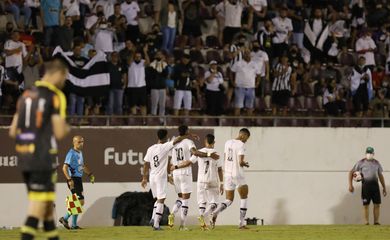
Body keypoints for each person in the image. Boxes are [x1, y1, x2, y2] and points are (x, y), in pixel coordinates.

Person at [8, 58, 70, 240]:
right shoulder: (55, 96)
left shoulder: (26, 95)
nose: (64, 81)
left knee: (47, 208)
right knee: (36, 209)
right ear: (57, 74)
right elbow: (59, 132)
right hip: (42, 157)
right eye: (64, 76)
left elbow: (12, 131)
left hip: (25, 156)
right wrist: (65, 126)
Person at [141, 129, 197, 230]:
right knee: (161, 200)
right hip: (161, 177)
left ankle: (153, 219)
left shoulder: (151, 148)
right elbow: (178, 139)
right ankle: (156, 225)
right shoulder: (165, 146)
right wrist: (189, 135)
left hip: (152, 176)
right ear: (166, 137)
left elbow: (145, 164)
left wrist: (144, 178)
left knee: (158, 199)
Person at [168, 125, 219, 230]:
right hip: (185, 173)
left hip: (175, 172)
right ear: (187, 131)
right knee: (185, 200)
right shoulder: (189, 142)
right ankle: (182, 225)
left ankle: (172, 213)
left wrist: (170, 174)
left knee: (180, 198)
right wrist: (209, 154)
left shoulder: (174, 143)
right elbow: (195, 153)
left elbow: (170, 160)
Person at [211, 128, 251, 229]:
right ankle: (241, 223)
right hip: (237, 174)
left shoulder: (227, 142)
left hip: (227, 174)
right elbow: (240, 161)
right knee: (244, 197)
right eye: (246, 137)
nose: (246, 140)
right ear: (243, 135)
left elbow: (225, 157)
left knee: (228, 199)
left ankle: (215, 212)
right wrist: (245, 164)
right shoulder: (241, 145)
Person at [59, 136, 96, 230]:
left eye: (82, 142)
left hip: (78, 180)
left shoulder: (80, 153)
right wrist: (69, 179)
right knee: (79, 201)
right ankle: (64, 218)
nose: (81, 144)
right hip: (73, 180)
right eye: (79, 142)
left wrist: (90, 174)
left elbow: (82, 166)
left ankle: (74, 225)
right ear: (74, 143)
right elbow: (64, 168)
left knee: (79, 202)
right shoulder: (71, 153)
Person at [348, 147, 387, 225]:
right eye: (368, 153)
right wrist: (350, 185)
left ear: (373, 154)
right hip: (365, 187)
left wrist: (384, 187)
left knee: (377, 204)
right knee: (365, 205)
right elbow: (351, 172)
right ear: (365, 153)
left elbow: (380, 175)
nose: (369, 154)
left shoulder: (377, 163)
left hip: (375, 187)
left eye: (370, 153)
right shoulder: (360, 162)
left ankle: (376, 222)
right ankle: (366, 222)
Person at [231, 50, 261, 116]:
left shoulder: (254, 64)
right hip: (239, 87)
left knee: (250, 107)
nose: (247, 55)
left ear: (250, 55)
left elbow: (258, 74)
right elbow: (231, 72)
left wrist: (258, 82)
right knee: (238, 106)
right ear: (243, 55)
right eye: (246, 54)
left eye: (248, 54)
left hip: (251, 88)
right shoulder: (238, 63)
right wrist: (232, 82)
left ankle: (249, 124)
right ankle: (236, 124)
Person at [125, 45, 150, 116]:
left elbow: (148, 63)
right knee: (132, 105)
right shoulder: (131, 62)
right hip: (132, 86)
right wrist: (133, 52)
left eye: (139, 56)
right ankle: (134, 120)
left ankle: (144, 120)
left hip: (142, 86)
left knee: (143, 105)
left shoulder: (143, 62)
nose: (137, 58)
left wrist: (145, 52)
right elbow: (129, 61)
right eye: (136, 56)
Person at [106, 51, 126, 116]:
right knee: (110, 104)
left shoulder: (121, 65)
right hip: (110, 87)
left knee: (119, 104)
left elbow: (124, 75)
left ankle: (119, 120)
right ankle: (110, 120)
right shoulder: (107, 65)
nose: (115, 57)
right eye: (114, 56)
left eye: (116, 56)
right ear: (111, 57)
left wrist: (125, 84)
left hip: (119, 87)